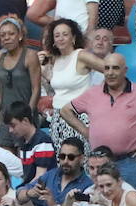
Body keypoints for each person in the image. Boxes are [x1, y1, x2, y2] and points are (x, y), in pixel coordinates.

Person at [61, 53, 136, 192]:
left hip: (130, 162)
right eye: (107, 68)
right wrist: (86, 132)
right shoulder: (92, 93)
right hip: (99, 162)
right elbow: (65, 111)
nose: (110, 73)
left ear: (125, 70)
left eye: (115, 68)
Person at [41, 18, 105, 148]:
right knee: (63, 163)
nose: (61, 38)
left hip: (79, 117)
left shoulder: (81, 55)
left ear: (73, 38)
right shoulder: (55, 59)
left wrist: (100, 94)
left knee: (84, 160)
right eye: (57, 35)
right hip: (58, 118)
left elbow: (110, 69)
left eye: (65, 34)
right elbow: (60, 84)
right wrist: (43, 70)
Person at [0, 16, 40, 149]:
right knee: (7, 160)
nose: (6, 37)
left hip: (25, 118)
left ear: (20, 35)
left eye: (11, 34)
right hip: (6, 119)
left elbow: (36, 89)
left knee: (26, 159)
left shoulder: (30, 56)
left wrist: (27, 115)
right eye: (3, 35)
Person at [6, 102, 56, 186]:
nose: (10, 130)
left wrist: (22, 193)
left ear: (25, 120)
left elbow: (41, 177)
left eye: (13, 125)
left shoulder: (42, 141)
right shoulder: (23, 142)